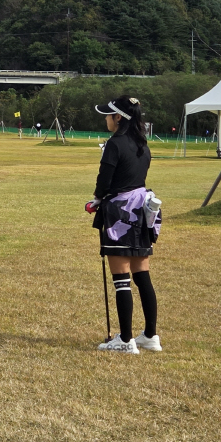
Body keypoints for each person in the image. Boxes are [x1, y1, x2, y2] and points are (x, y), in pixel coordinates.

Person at [90, 96, 161, 354]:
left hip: (119, 213)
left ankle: (126, 339)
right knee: (143, 276)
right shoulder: (142, 144)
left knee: (121, 278)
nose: (106, 119)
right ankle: (150, 336)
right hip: (141, 210)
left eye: (109, 115)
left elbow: (104, 180)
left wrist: (97, 199)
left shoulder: (115, 144)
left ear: (118, 118)